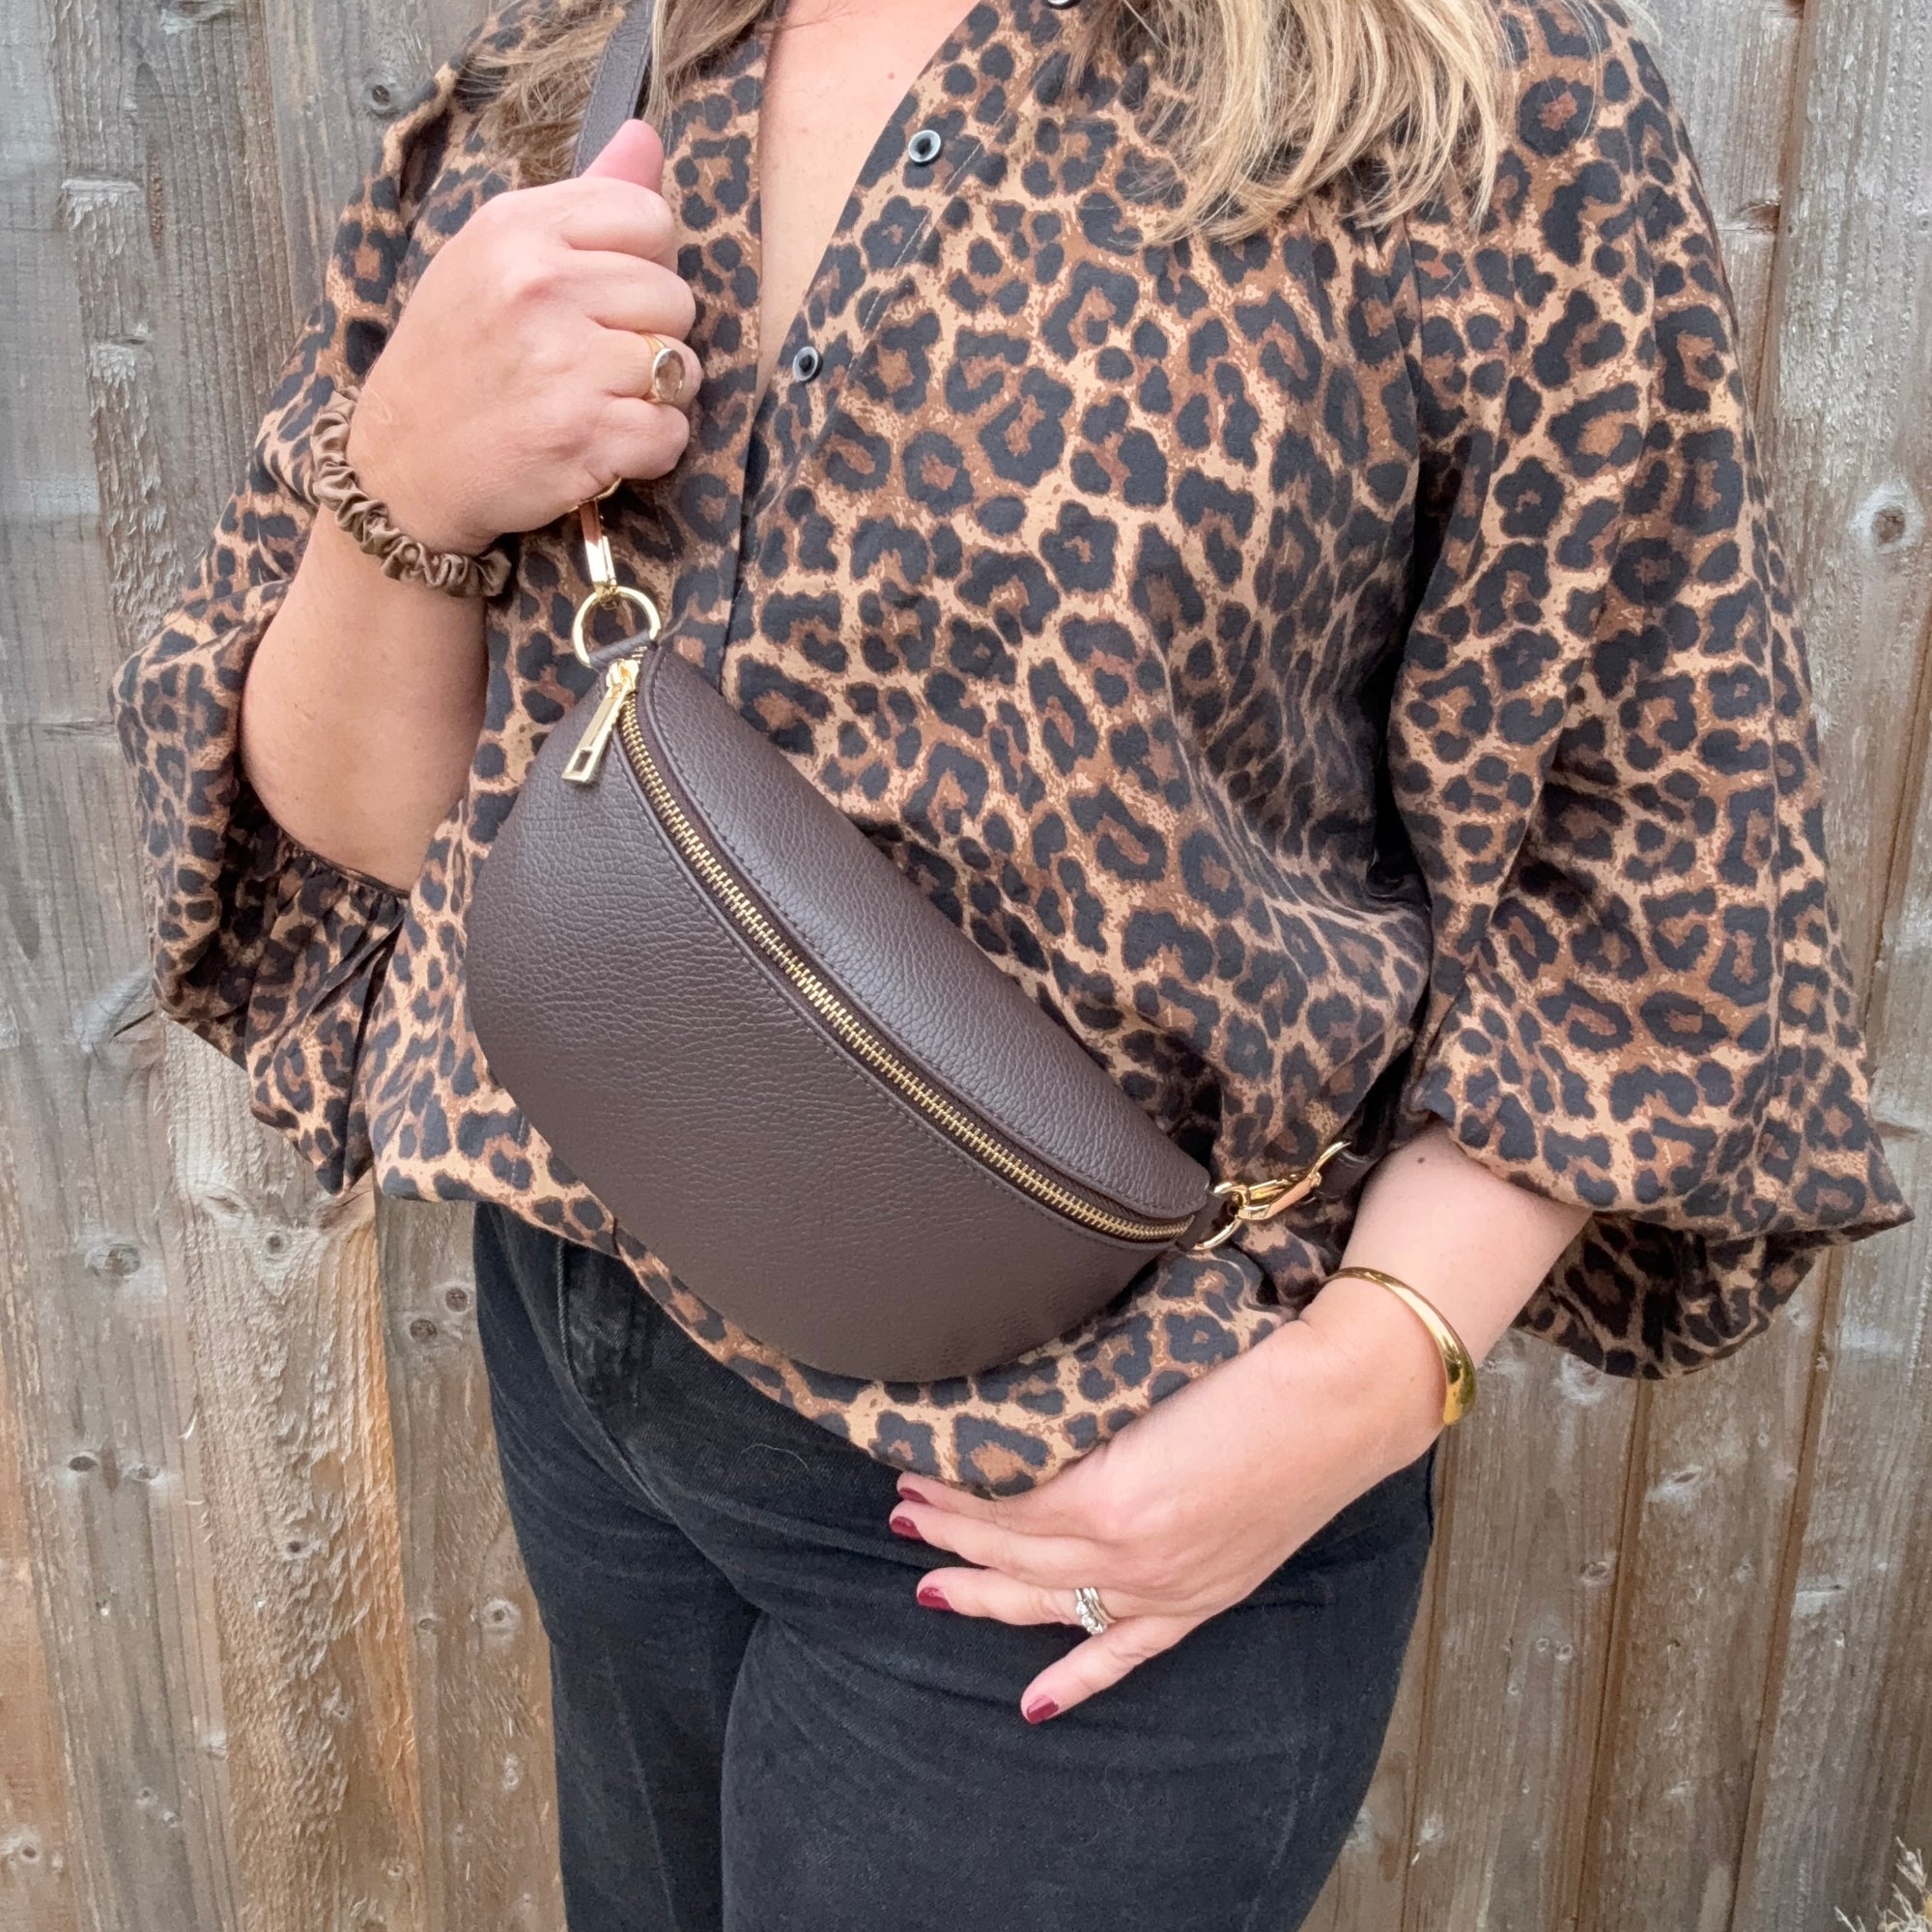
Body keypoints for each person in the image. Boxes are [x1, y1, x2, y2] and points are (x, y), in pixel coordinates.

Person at [109, 0, 1909, 1923]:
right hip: (594, 1358)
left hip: (1083, 1473)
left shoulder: (1462, 91)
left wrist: (1370, 1384)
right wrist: (403, 475)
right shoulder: (591, 59)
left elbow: (1640, 848)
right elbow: (381, 823)